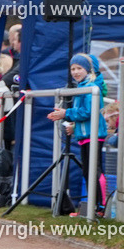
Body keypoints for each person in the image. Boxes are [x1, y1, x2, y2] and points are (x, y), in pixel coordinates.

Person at [47, 54, 107, 217]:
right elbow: (85, 115)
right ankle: (93, 207)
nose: (75, 71)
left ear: (88, 70)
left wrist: (66, 113)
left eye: (79, 68)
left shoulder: (91, 87)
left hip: (94, 135)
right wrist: (75, 127)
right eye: (72, 68)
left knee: (94, 170)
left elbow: (88, 112)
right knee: (87, 171)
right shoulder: (83, 87)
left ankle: (100, 207)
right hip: (85, 136)